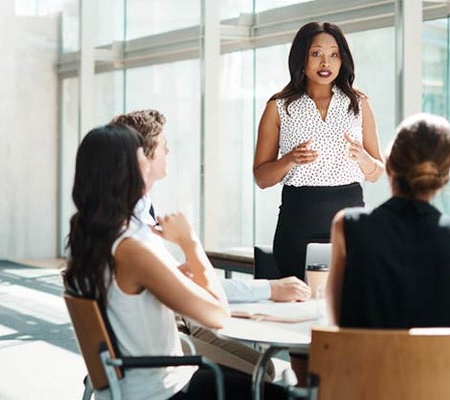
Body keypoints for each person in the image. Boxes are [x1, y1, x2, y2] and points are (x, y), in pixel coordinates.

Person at [62, 124, 284, 400]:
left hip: (130, 387)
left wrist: (170, 274)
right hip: (163, 392)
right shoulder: (133, 248)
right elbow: (218, 315)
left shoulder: (90, 239)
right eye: (143, 161)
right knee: (284, 395)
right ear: (128, 174)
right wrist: (190, 243)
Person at [112, 109, 310, 380]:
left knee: (268, 368)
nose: (168, 149)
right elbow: (215, 311)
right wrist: (189, 241)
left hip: (165, 330)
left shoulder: (131, 219)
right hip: (162, 351)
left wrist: (179, 275)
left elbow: (179, 286)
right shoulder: (133, 236)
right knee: (262, 376)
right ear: (142, 157)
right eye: (161, 144)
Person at [326, 113, 450, 329]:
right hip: (447, 363)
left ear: (389, 165)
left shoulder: (346, 226)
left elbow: (335, 325)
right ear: (447, 174)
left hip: (364, 363)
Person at [253, 21, 384, 281]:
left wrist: (363, 158)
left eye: (334, 54)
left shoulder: (358, 104)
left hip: (350, 225)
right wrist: (290, 160)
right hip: (298, 225)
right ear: (301, 58)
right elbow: (261, 177)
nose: (326, 62)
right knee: (302, 303)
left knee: (349, 304)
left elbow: (376, 172)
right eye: (316, 54)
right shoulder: (279, 106)